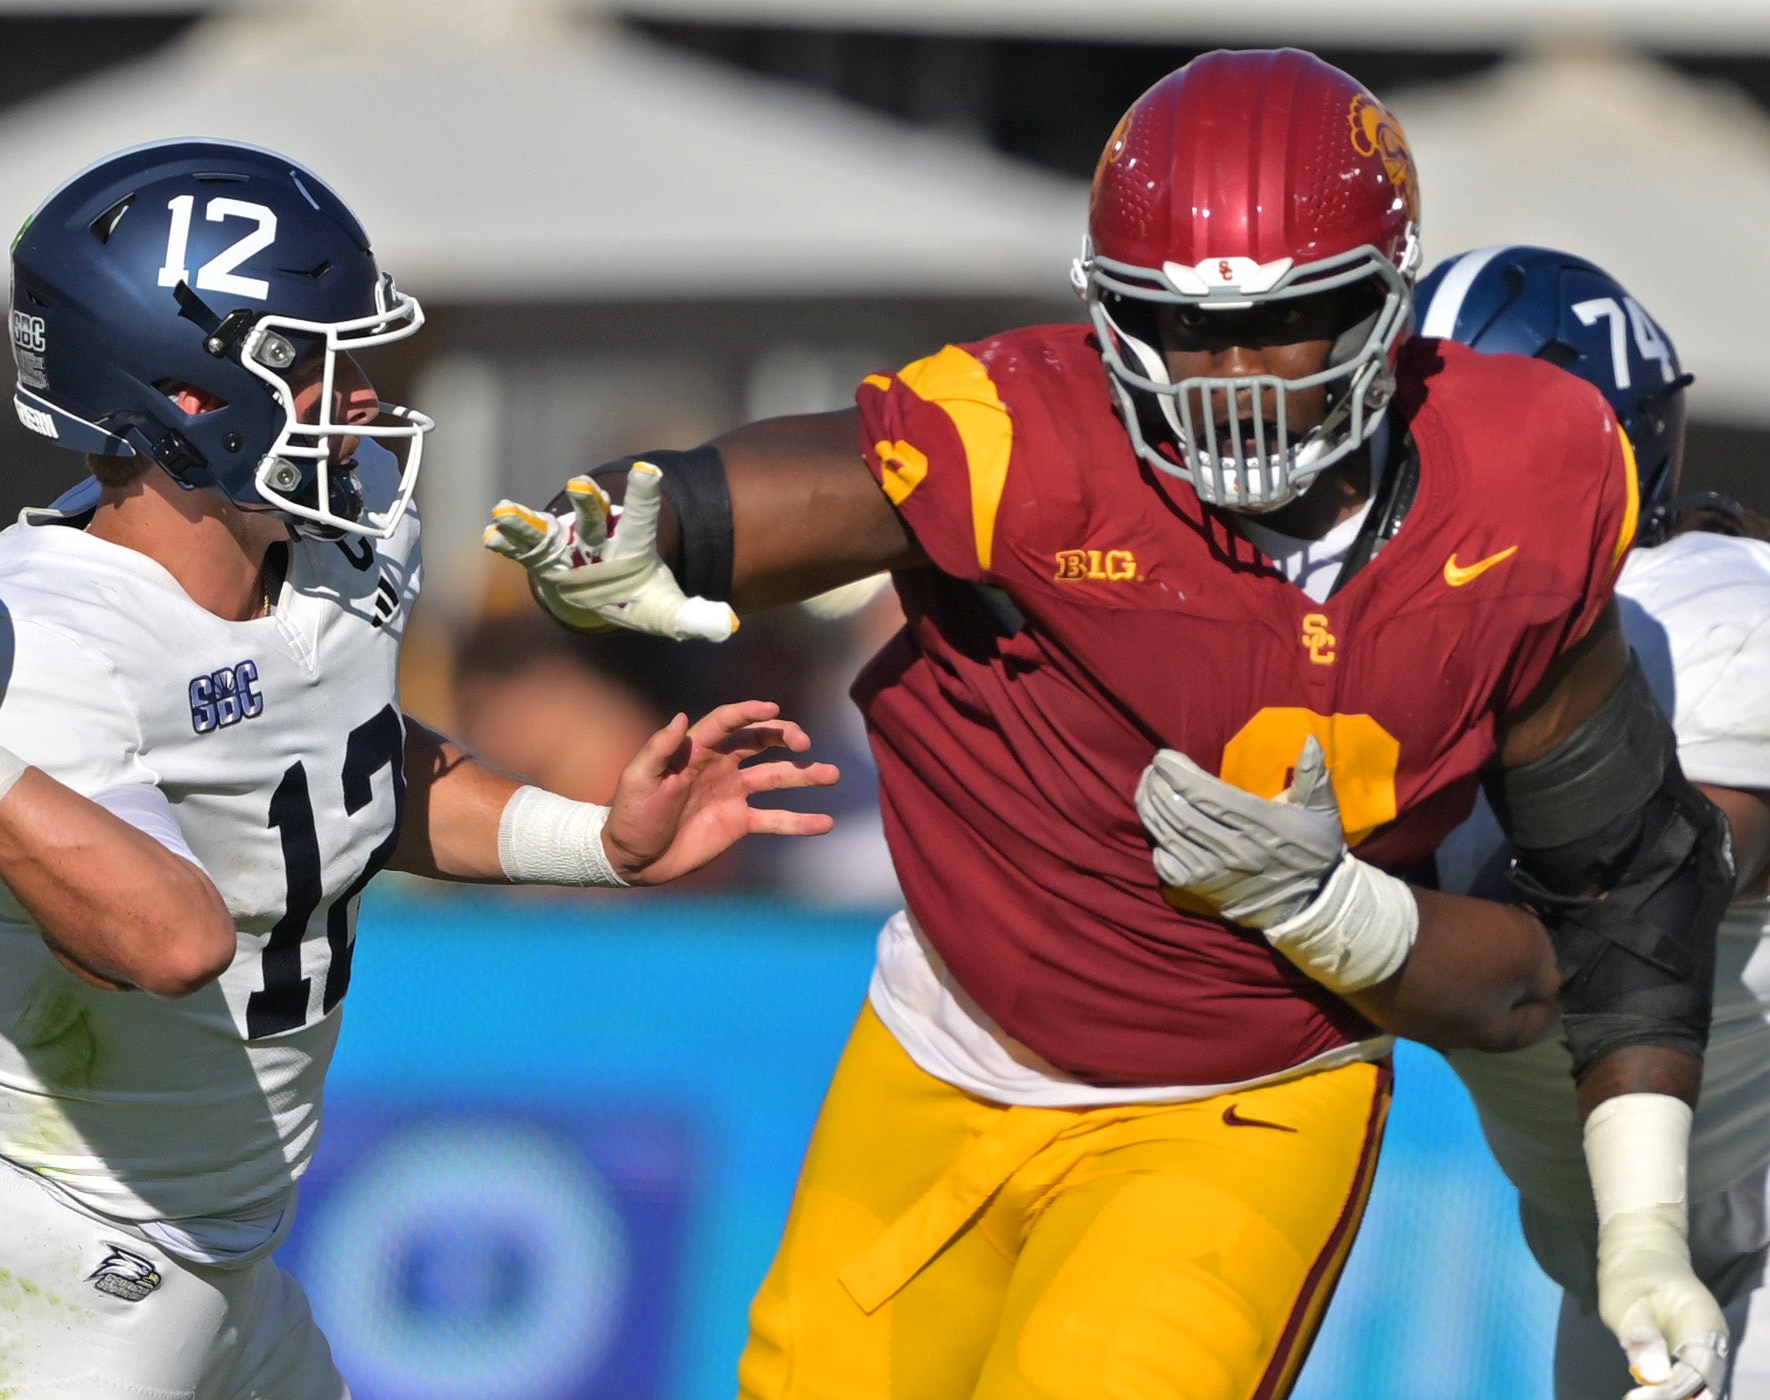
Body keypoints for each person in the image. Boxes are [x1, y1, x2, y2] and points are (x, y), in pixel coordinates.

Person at [485, 50, 1736, 1400]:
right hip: (942, 1051)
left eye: (1291, 318)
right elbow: (822, 478)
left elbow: (1614, 893)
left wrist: (1646, 1217)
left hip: (1242, 1097)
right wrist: (654, 514)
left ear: (1387, 300)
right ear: (1105, 316)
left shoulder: (1526, 474)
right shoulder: (1034, 427)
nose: (1233, 375)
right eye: (1182, 329)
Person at [0, 138, 838, 1400]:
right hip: (52, 1254)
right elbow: (169, 937)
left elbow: (347, 769)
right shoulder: (36, 632)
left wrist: (592, 840)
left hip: (218, 1249)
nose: (363, 396)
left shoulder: (338, 531)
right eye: (310, 362)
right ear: (185, 398)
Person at [1420, 247, 1770, 1399]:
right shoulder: (1391, 640)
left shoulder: (1705, 619)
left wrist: (1349, 919)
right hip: (1622, 1241)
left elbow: (1632, 890)